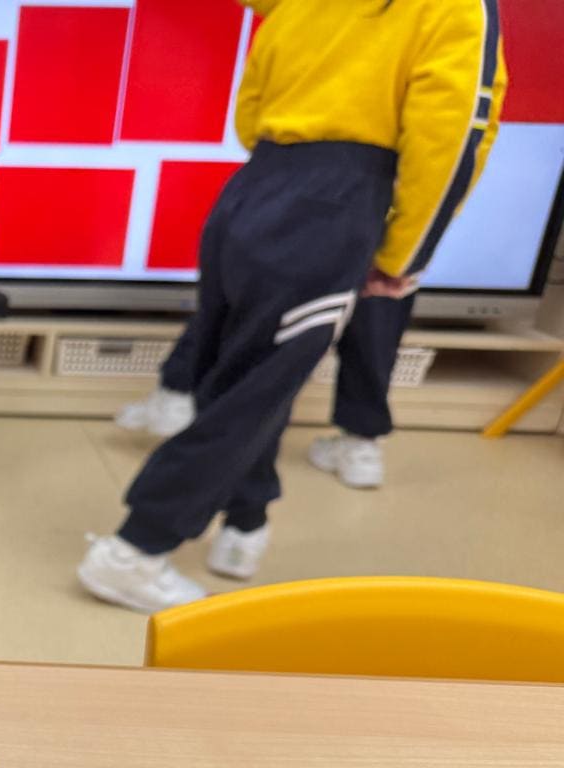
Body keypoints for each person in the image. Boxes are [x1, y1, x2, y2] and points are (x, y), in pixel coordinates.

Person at [81, 0, 506, 612]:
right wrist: (403, 255)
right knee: (254, 390)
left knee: (246, 373)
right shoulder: (457, 8)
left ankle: (244, 525)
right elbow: (456, 134)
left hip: (255, 185)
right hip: (336, 201)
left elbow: (250, 108)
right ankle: (135, 550)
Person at [118, 292, 414, 492]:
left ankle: (179, 395)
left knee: (254, 294)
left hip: (312, 229)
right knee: (378, 314)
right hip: (397, 235)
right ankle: (361, 445)